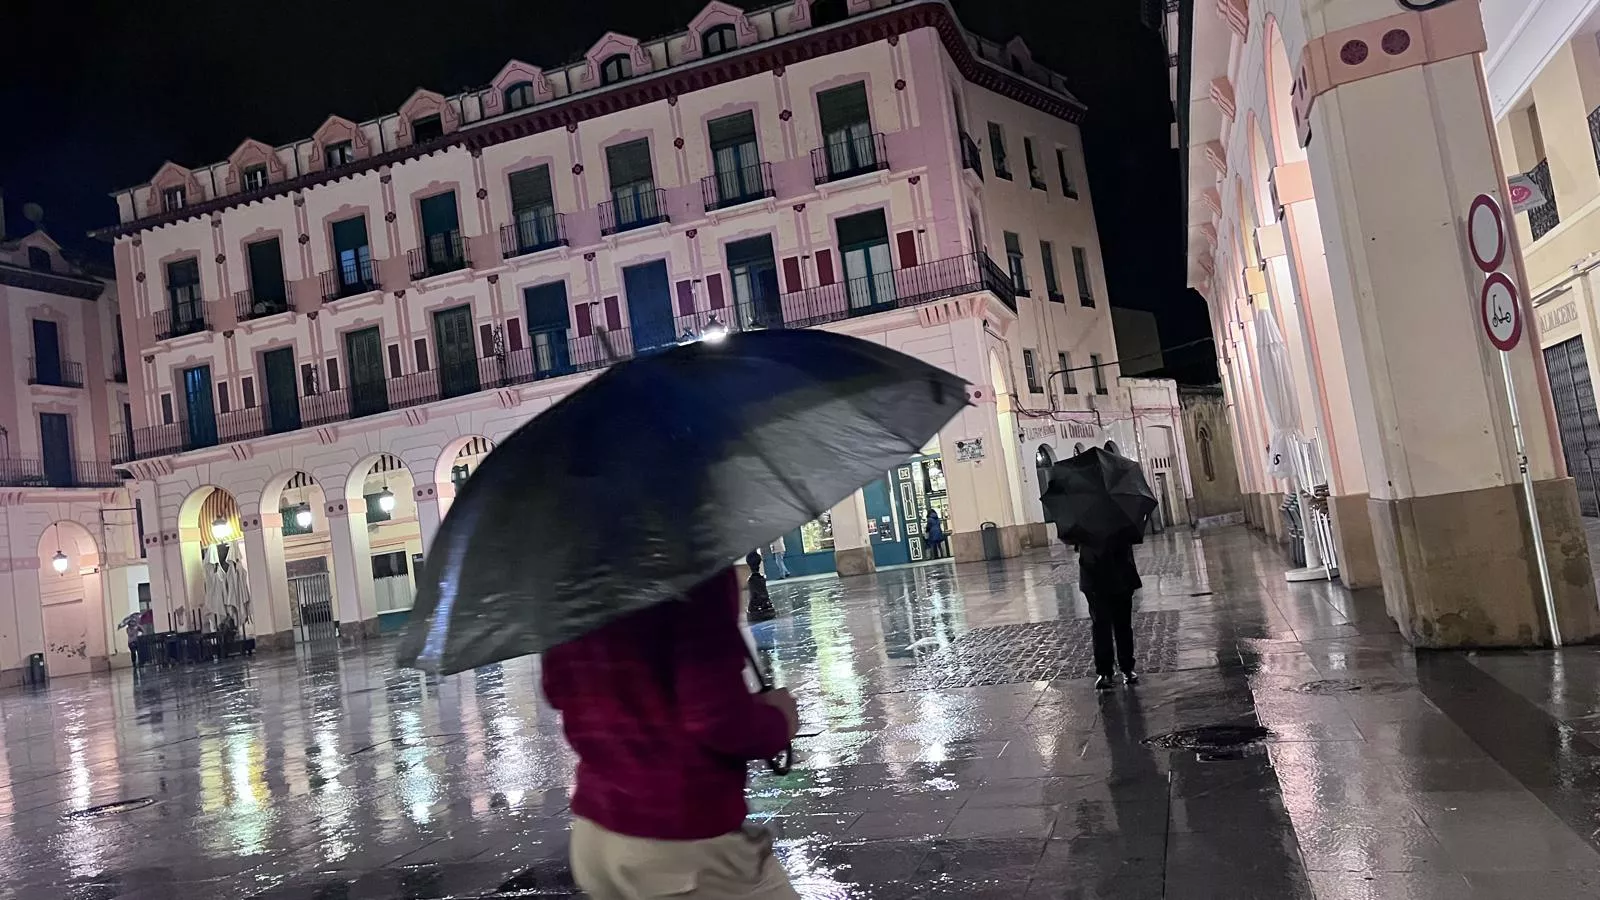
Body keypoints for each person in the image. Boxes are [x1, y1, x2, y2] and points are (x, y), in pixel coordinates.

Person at [542, 568, 801, 900]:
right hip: (681, 845)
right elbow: (715, 718)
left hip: (597, 839)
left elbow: (559, 688)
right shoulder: (691, 568)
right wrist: (777, 719)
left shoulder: (570, 578)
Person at [1077, 534, 1142, 689]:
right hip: (1093, 574)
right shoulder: (1083, 522)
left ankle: (1126, 667)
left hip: (1120, 571)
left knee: (1122, 623)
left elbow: (1133, 536)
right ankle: (1106, 671)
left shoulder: (1120, 517)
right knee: (1101, 625)